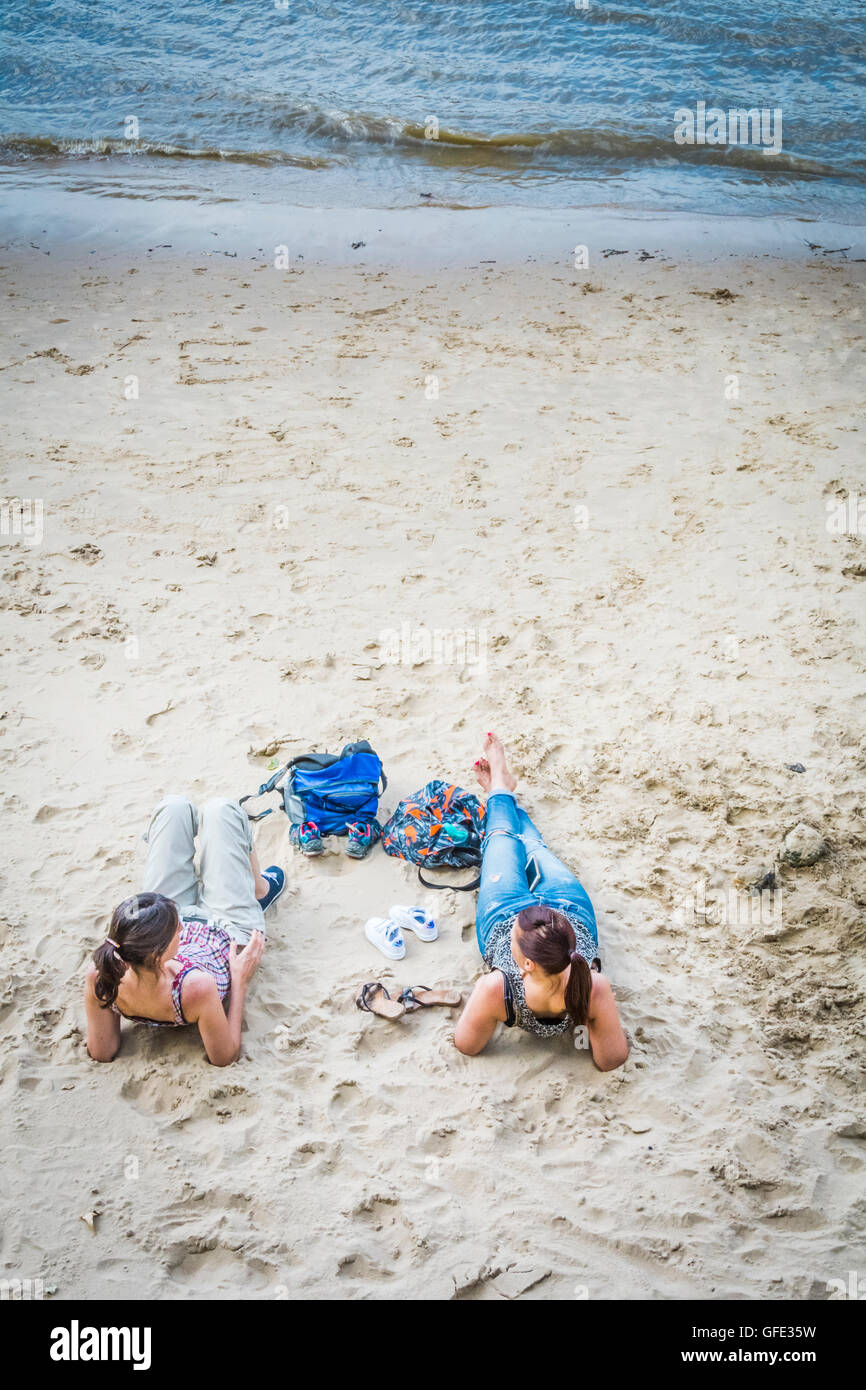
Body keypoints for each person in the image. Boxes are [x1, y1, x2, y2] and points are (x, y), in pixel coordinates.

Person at [454, 734, 628, 1069]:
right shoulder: (593, 987)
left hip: (500, 911)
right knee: (534, 846)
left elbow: (466, 1043)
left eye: (514, 939)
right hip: (569, 907)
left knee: (502, 839)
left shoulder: (497, 989)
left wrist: (483, 993)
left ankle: (500, 792)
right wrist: (598, 1014)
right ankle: (502, 790)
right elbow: (610, 1059)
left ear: (527, 965)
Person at [84, 795, 284, 1066]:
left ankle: (176, 905)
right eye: (177, 927)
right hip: (226, 929)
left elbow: (102, 1052)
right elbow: (225, 1056)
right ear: (158, 955)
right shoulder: (195, 988)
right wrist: (239, 981)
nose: (183, 924)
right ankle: (260, 890)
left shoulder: (103, 974)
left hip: (153, 928)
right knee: (221, 811)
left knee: (173, 808)